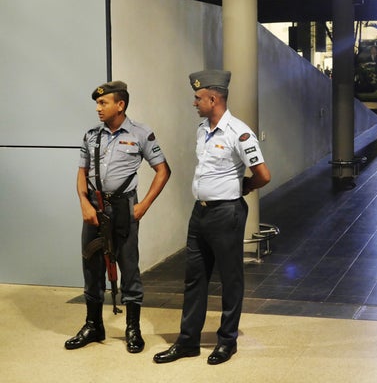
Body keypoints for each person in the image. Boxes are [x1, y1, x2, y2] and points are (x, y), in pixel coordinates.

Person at [154, 69, 271, 366]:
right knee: (194, 278)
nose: (194, 103)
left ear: (213, 98)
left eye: (198, 98)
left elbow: (263, 175)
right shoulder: (202, 129)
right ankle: (188, 341)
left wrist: (245, 186)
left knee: (230, 278)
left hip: (226, 213)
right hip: (200, 213)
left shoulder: (239, 133)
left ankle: (226, 341)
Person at [65, 81, 171, 353]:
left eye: (103, 103)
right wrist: (83, 203)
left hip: (124, 208)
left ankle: (132, 328)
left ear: (120, 105)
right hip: (94, 208)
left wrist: (143, 205)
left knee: (129, 267)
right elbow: (81, 171)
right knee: (91, 266)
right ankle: (93, 325)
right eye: (97, 104)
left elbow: (163, 170)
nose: (98, 108)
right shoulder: (91, 135)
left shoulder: (140, 134)